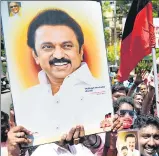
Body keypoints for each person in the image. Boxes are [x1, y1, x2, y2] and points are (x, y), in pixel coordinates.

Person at [15, 9, 113, 143]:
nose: (58, 55)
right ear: (35, 56)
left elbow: (109, 147)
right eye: (47, 47)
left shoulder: (100, 93)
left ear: (81, 51)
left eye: (67, 46)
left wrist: (91, 141)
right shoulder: (26, 100)